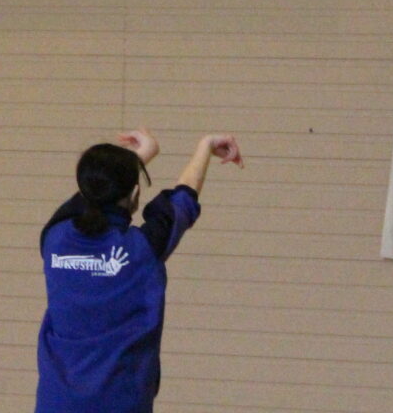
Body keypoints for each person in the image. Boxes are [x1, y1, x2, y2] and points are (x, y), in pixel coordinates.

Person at [36, 126, 244, 413]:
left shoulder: (54, 238)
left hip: (55, 404)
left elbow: (92, 190)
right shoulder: (140, 250)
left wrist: (141, 156)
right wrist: (205, 146)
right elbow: (183, 199)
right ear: (135, 192)